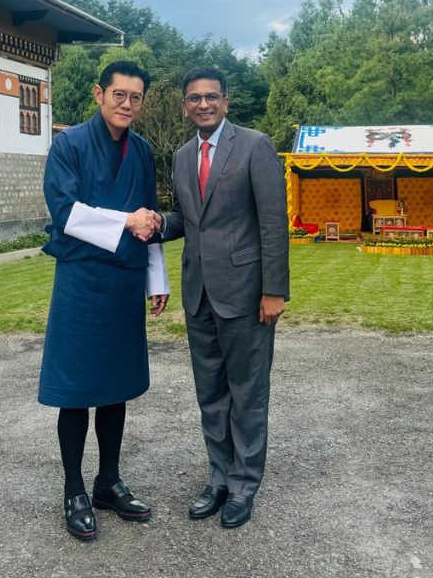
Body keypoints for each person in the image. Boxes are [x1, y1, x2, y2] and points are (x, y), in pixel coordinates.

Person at [38, 61, 168, 541]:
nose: (127, 105)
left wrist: (157, 278)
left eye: (135, 97)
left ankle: (107, 481)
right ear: (99, 93)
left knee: (116, 387)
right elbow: (65, 212)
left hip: (125, 282)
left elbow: (150, 217)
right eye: (119, 95)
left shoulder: (143, 151)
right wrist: (125, 221)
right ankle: (74, 488)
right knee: (77, 389)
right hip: (81, 280)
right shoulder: (68, 145)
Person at [158, 66, 289, 529]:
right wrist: (157, 224)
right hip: (199, 297)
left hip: (247, 295)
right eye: (194, 98)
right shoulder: (180, 156)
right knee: (210, 394)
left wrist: (275, 290)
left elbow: (274, 222)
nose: (203, 105)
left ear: (226, 102)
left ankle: (244, 485)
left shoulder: (254, 145)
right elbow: (186, 218)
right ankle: (218, 478)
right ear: (184, 105)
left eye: (212, 97)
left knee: (248, 394)